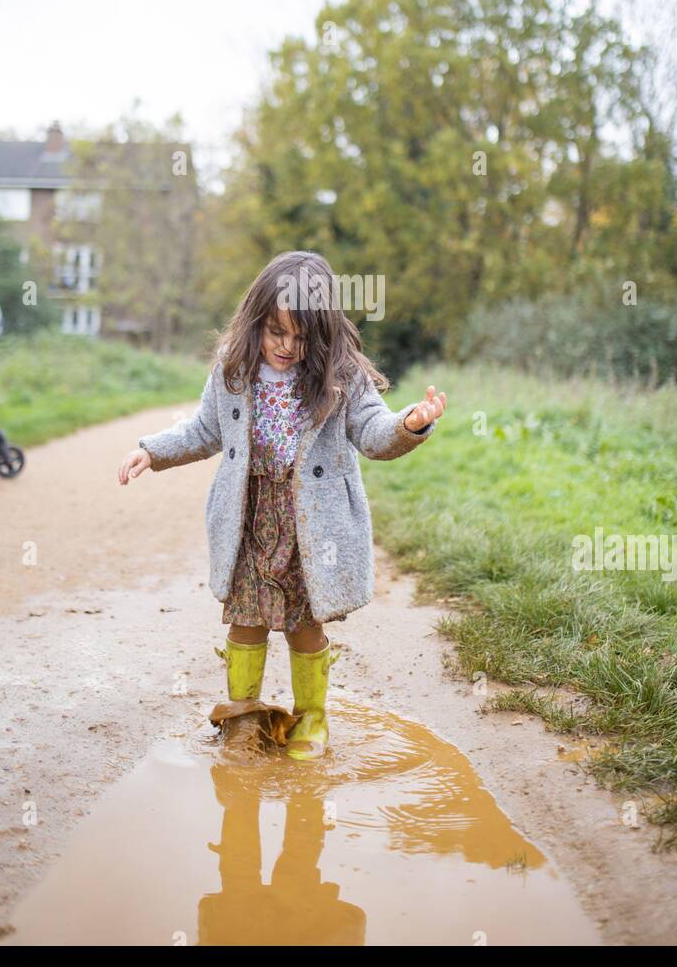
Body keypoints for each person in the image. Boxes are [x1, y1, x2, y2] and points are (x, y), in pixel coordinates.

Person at [117, 250, 446, 759]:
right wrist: (151, 450)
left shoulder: (343, 377)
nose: (287, 346)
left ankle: (311, 717)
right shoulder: (234, 370)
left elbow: (374, 434)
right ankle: (242, 718)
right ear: (256, 323)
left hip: (310, 526)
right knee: (245, 619)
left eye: (301, 337)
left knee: (303, 624)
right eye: (276, 332)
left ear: (324, 334)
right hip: (250, 516)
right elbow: (204, 431)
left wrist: (411, 423)